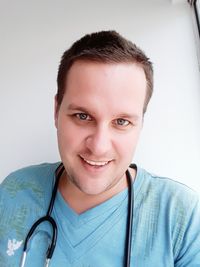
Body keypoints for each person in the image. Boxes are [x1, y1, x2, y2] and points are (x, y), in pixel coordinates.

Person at [0, 30, 199, 267]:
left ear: (141, 124)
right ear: (56, 111)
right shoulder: (13, 193)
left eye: (122, 122)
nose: (99, 146)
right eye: (83, 116)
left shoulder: (180, 218)